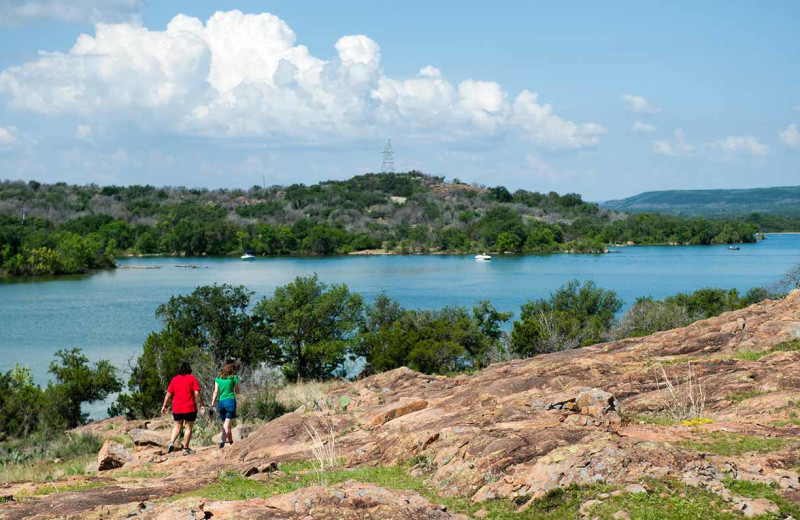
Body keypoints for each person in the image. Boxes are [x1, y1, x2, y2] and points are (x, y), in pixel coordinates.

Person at [160, 361, 206, 455]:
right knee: (188, 428)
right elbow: (197, 393)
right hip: (190, 408)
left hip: (177, 408)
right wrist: (202, 404)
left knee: (177, 426)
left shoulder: (175, 379)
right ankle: (185, 448)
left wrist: (164, 406)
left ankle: (172, 442)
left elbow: (168, 394)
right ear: (189, 370)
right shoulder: (192, 378)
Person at [210, 359, 239, 449]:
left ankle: (230, 442)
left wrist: (212, 404)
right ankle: (222, 442)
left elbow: (215, 391)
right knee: (226, 425)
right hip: (230, 401)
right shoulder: (234, 377)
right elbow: (237, 391)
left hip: (221, 402)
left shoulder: (218, 378)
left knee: (227, 424)